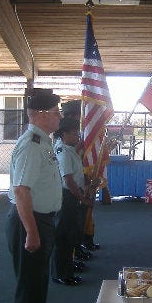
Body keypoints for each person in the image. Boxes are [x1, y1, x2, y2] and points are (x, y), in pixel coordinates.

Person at [6, 92, 64, 303]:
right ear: (40, 114)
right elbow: (21, 191)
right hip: (29, 221)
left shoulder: (43, 142)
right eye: (56, 111)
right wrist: (31, 231)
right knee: (30, 289)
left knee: (37, 287)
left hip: (40, 220)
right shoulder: (31, 145)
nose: (60, 116)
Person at [51, 117, 93, 286]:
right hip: (66, 197)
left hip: (72, 196)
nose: (78, 136)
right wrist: (82, 198)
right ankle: (61, 273)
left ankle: (68, 265)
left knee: (71, 235)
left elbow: (76, 175)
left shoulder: (70, 149)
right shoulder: (62, 151)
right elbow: (68, 180)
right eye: (75, 133)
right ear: (64, 134)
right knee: (63, 237)